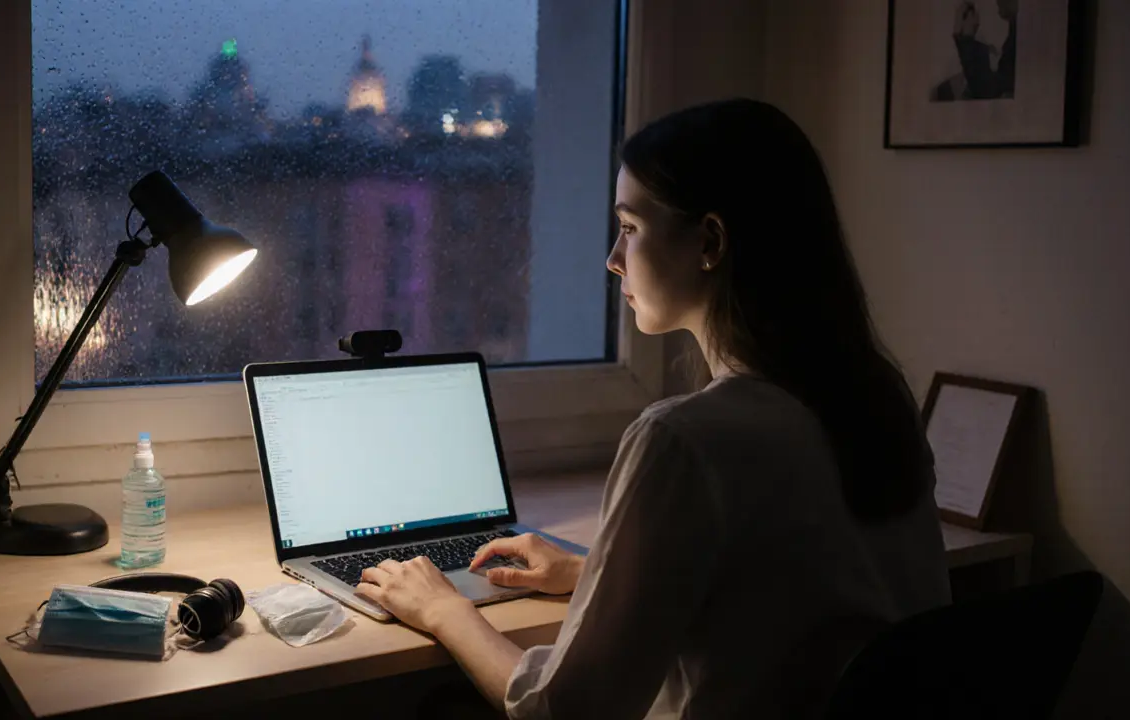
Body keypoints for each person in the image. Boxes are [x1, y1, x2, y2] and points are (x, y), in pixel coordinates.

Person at [356, 99, 951, 719]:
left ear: (710, 242)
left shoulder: (685, 439)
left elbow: (566, 711)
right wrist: (596, 573)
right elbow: (783, 592)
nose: (614, 258)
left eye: (631, 228)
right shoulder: (874, 396)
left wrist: (444, 609)